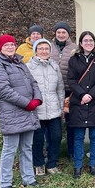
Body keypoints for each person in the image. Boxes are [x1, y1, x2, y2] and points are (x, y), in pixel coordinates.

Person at [0, 34, 42, 188]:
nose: (10, 47)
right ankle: (4, 182)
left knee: (27, 147)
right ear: (0, 48)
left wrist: (37, 98)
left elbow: (33, 82)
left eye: (12, 44)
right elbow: (3, 90)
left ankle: (29, 178)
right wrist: (26, 103)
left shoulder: (19, 61)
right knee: (10, 149)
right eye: (6, 45)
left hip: (28, 112)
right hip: (12, 113)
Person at [67, 31, 95, 178]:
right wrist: (82, 94)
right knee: (78, 136)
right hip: (78, 103)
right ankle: (77, 166)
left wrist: (91, 95)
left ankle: (93, 165)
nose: (88, 43)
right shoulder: (73, 60)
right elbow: (70, 80)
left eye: (91, 40)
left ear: (94, 42)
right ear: (80, 43)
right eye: (86, 40)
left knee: (94, 136)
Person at [27, 38, 64, 175]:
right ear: (36, 51)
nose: (44, 51)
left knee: (56, 137)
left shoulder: (54, 66)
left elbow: (60, 88)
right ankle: (39, 164)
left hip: (54, 109)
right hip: (37, 110)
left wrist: (61, 107)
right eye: (41, 49)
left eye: (46, 49)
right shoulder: (29, 67)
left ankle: (52, 163)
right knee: (37, 139)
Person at [50, 21, 78, 161]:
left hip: (69, 90)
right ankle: (52, 151)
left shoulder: (74, 48)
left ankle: (71, 151)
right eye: (59, 32)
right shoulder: (48, 47)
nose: (61, 35)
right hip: (52, 91)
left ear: (68, 34)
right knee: (53, 122)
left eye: (64, 32)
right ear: (55, 33)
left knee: (70, 121)